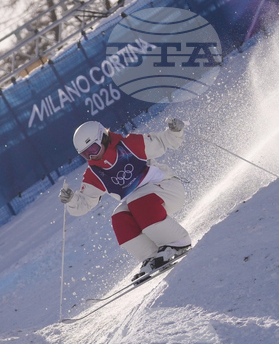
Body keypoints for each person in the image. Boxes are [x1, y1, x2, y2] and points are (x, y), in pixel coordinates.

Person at [60, 117, 191, 281]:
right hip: (142, 204)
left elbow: (162, 141)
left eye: (93, 149)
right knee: (119, 218)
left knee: (137, 201)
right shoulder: (95, 173)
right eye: (86, 154)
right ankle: (151, 256)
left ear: (102, 137)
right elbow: (84, 203)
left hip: (167, 188)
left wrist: (175, 131)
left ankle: (177, 242)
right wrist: (71, 200)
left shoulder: (129, 146)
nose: (92, 156)